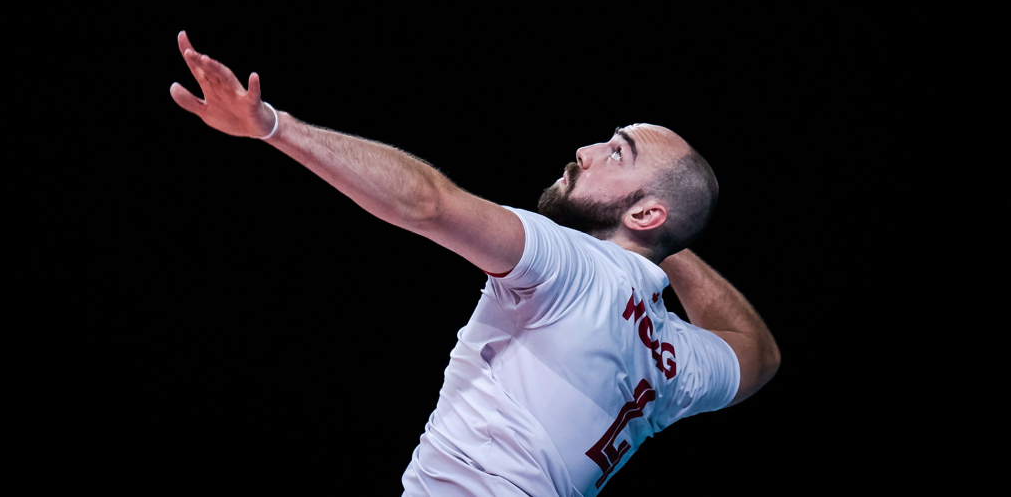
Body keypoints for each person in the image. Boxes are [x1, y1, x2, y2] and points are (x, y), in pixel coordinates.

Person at [170, 31, 780, 496]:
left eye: (617, 153)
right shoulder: (674, 358)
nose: (586, 151)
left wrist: (271, 126)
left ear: (644, 213)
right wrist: (668, 244)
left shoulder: (578, 268)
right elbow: (758, 353)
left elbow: (428, 203)